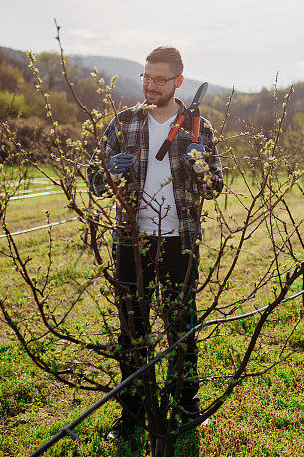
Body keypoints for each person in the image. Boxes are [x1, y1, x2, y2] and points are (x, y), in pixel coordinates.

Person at [87, 46, 223, 440]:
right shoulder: (125, 123)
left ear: (179, 81)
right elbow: (94, 180)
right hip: (131, 240)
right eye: (146, 76)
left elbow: (215, 187)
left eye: (159, 79)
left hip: (180, 239)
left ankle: (185, 406)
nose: (150, 85)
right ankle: (131, 414)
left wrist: (199, 164)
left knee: (182, 325)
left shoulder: (199, 128)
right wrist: (110, 172)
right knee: (132, 328)